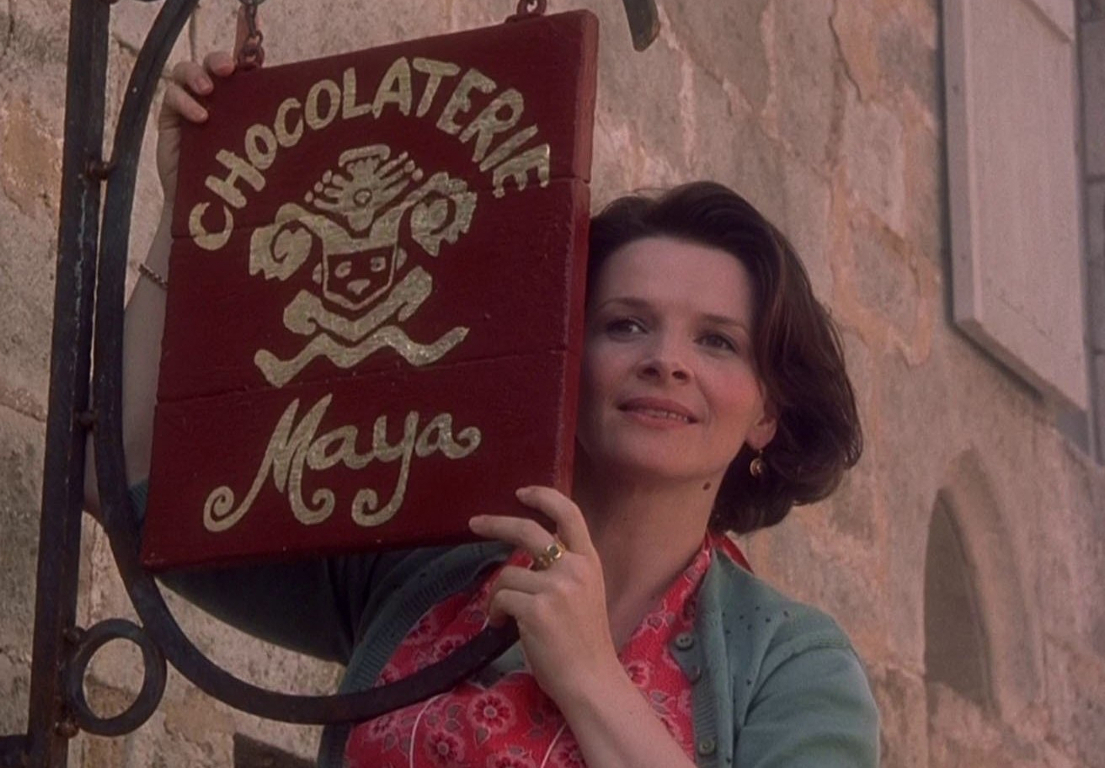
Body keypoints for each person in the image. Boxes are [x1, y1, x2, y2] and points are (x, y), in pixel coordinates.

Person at [90, 47, 879, 767]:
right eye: (625, 324)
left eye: (717, 342)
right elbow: (121, 480)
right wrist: (185, 219)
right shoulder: (422, 567)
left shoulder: (793, 663)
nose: (665, 360)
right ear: (564, 356)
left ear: (767, 414)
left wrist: (589, 676)